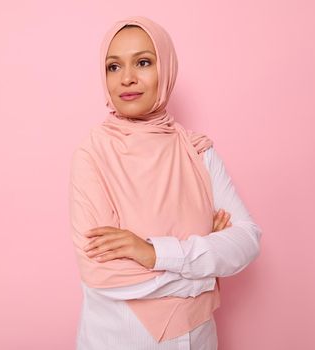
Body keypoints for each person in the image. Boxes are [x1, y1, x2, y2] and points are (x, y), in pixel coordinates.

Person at [68, 16, 262, 350]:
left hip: (199, 337)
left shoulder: (196, 150)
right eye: (114, 67)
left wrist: (152, 252)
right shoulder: (93, 153)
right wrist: (205, 274)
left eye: (143, 62)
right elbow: (103, 275)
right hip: (118, 339)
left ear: (167, 68)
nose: (127, 78)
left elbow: (247, 239)